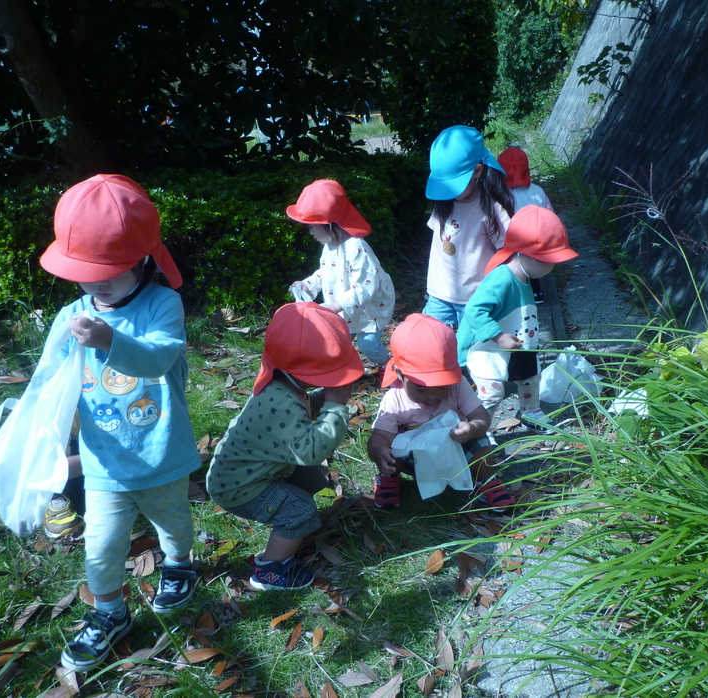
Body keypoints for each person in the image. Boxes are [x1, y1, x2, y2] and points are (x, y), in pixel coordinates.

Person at [38, 174, 201, 672]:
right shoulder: (72, 315)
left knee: (174, 523)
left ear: (141, 258)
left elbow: (157, 358)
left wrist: (109, 340)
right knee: (101, 545)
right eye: (84, 272)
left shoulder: (161, 305)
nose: (95, 282)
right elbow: (49, 382)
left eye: (107, 270)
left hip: (161, 452)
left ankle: (179, 565)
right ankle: (110, 612)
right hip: (104, 461)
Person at [207, 303, 364, 591]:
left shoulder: (284, 383)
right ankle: (270, 569)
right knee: (300, 509)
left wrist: (322, 397)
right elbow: (313, 451)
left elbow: (299, 416)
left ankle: (291, 525)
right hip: (239, 487)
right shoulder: (281, 402)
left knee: (312, 480)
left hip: (251, 471)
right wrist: (336, 407)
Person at [367, 313, 515, 511]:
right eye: (421, 388)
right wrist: (379, 452)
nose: (432, 396)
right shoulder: (395, 399)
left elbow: (481, 416)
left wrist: (472, 428)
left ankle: (486, 480)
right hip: (415, 458)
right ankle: (389, 477)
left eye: (441, 385)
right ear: (400, 374)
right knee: (391, 450)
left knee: (480, 442)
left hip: (454, 450)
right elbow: (380, 436)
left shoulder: (457, 386)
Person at [456, 206, 578, 432]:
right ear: (526, 254)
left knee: (530, 378)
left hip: (519, 342)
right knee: (492, 393)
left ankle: (530, 411)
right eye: (549, 260)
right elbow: (474, 311)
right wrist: (498, 336)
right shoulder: (502, 279)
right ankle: (479, 428)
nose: (553, 267)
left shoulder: (525, 275)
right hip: (487, 347)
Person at [288, 180, 395, 376]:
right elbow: (326, 272)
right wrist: (307, 284)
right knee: (340, 339)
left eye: (311, 227)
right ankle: (345, 372)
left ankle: (386, 366)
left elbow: (364, 288)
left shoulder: (356, 247)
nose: (310, 232)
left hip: (370, 308)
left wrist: (335, 307)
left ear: (328, 225)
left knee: (368, 343)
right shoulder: (330, 245)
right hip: (345, 305)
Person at [423, 125, 516, 328]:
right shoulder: (444, 201)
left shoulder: (491, 207)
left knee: (473, 347)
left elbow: (508, 253)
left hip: (475, 299)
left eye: (454, 184)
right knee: (433, 343)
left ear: (477, 171)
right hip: (438, 295)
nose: (448, 191)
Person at [498, 146, 554, 304]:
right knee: (532, 264)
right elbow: (549, 213)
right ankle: (537, 293)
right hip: (536, 235)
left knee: (513, 265)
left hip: (512, 236)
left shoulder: (500, 193)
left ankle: (515, 294)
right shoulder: (537, 190)